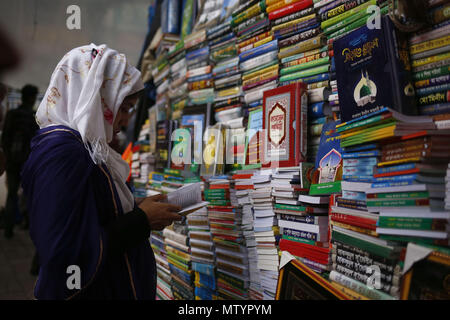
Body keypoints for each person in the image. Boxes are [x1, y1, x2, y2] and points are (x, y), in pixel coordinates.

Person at [21, 44, 182, 299]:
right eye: (124, 107)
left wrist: (132, 205)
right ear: (96, 96)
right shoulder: (63, 151)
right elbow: (67, 252)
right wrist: (141, 220)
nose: (126, 120)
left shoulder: (80, 145)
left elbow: (85, 210)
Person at [2, 84, 39, 238]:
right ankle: (29, 224)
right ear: (32, 98)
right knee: (31, 194)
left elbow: (4, 138)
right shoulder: (34, 117)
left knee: (11, 194)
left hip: (12, 162)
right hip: (29, 163)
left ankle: (9, 228)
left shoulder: (12, 114)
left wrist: (7, 156)